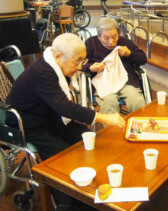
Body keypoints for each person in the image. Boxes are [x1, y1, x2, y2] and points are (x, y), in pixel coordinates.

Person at [6, 33, 125, 210]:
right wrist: (105, 117)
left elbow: (63, 107)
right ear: (58, 56)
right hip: (27, 122)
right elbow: (65, 107)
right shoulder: (43, 72)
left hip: (49, 115)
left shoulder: (58, 66)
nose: (79, 67)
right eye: (77, 62)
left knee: (87, 138)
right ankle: (67, 203)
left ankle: (91, 188)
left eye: (82, 62)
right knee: (62, 156)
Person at [82, 18, 147, 114]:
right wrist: (90, 68)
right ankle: (112, 129)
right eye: (106, 38)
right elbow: (78, 64)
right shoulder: (91, 43)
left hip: (126, 81)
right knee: (109, 103)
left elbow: (143, 59)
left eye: (114, 37)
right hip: (103, 83)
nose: (111, 41)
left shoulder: (125, 42)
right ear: (99, 36)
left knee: (137, 101)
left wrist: (129, 54)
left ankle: (140, 127)